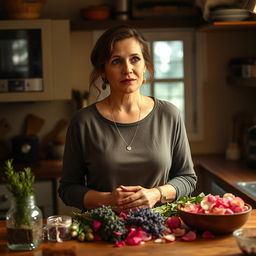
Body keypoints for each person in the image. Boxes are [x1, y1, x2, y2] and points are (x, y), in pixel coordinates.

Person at [58, 25, 197, 212]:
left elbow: (187, 178)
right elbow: (68, 189)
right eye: (116, 61)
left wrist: (156, 193)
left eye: (135, 59)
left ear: (145, 66)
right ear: (102, 70)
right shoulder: (83, 122)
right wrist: (108, 200)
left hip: (161, 232)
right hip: (104, 233)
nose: (127, 69)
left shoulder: (169, 114)